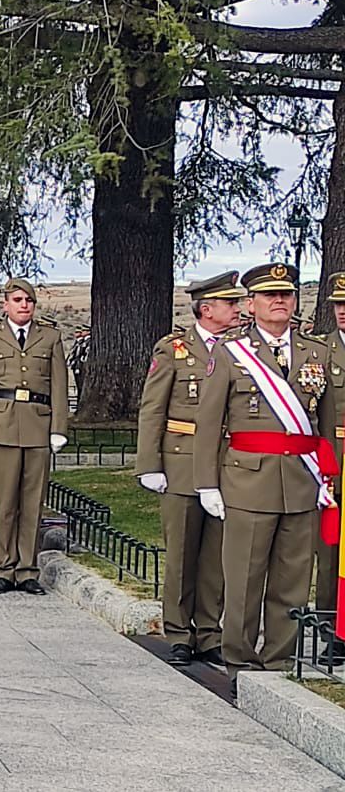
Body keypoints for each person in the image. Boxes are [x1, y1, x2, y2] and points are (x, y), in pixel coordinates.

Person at [194, 263, 335, 693]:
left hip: (301, 480)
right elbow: (209, 422)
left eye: (288, 294)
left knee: (292, 579)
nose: (281, 301)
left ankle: (278, 661)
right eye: (270, 295)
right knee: (244, 578)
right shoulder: (231, 353)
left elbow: (325, 426)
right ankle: (238, 659)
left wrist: (329, 479)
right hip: (247, 481)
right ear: (250, 304)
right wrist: (207, 483)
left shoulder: (316, 353)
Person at [134, 272, 241, 668]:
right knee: (181, 552)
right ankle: (179, 632)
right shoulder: (174, 350)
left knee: (216, 555)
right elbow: (153, 409)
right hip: (180, 463)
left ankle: (210, 632)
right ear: (206, 308)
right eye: (230, 304)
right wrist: (149, 464)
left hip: (224, 463)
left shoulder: (239, 350)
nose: (237, 310)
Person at [0, 279, 69, 595]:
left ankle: (27, 570)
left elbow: (59, 385)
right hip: (2, 426)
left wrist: (58, 428)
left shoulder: (50, 337)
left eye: (29, 300)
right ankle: (4, 568)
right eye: (17, 299)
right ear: (5, 304)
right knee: (5, 502)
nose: (23, 305)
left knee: (32, 502)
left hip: (38, 425)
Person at [317, 271, 345, 662]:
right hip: (335, 456)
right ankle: (330, 628)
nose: (343, 312)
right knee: (331, 546)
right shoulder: (321, 351)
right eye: (338, 306)